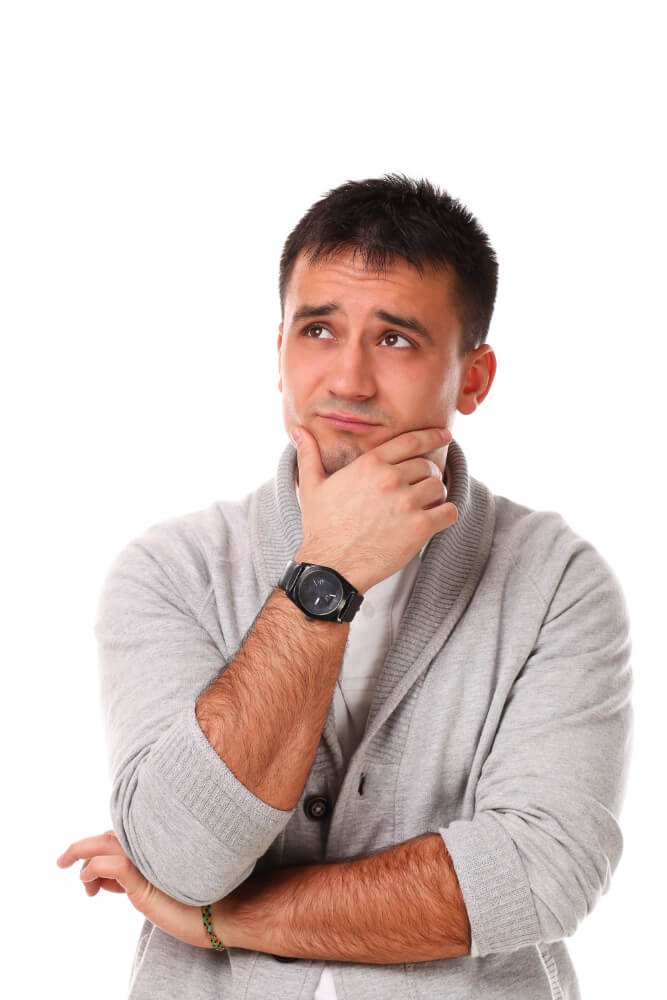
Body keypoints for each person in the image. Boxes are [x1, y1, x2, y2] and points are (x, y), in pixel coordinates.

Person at [57, 173, 633, 999]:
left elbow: (540, 874)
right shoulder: (172, 569)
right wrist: (324, 577)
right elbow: (182, 859)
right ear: (279, 351)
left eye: (395, 339)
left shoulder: (557, 582)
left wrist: (222, 920)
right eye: (318, 330)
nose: (348, 380)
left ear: (473, 378)